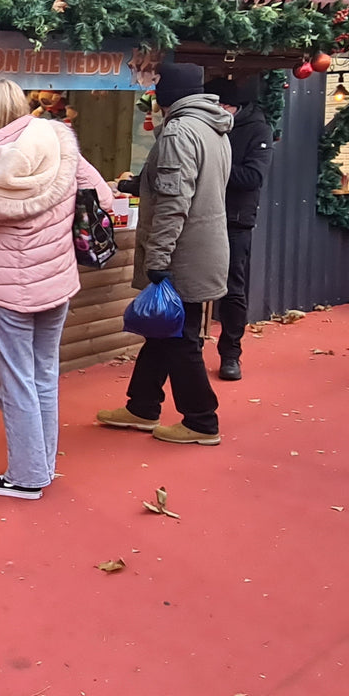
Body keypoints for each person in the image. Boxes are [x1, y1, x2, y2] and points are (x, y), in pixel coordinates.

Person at [0, 80, 114, 499]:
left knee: (16, 381)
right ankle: (42, 465)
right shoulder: (60, 142)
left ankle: (27, 477)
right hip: (57, 280)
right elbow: (102, 196)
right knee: (44, 374)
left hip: (9, 289)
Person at [97, 62, 232, 446]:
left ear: (167, 94)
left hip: (181, 252)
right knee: (164, 331)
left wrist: (158, 257)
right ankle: (142, 406)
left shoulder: (178, 131)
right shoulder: (213, 126)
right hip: (205, 245)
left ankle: (201, 420)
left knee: (179, 338)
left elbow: (175, 201)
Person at [212, 76, 273, 382]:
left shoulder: (258, 129)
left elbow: (253, 177)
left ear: (230, 106)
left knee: (232, 289)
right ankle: (188, 348)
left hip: (235, 219)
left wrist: (212, 168)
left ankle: (231, 353)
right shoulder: (207, 126)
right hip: (201, 216)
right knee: (190, 284)